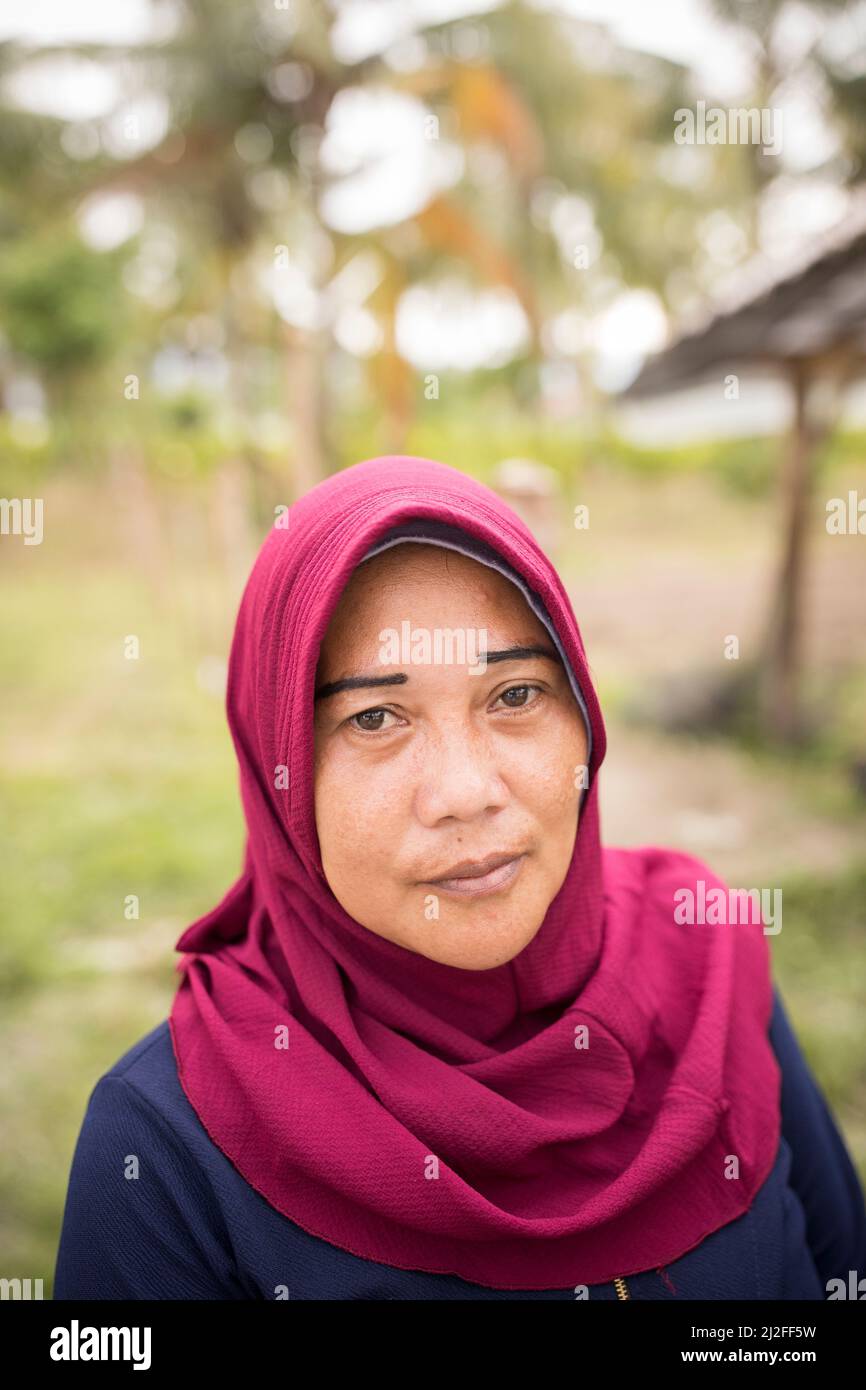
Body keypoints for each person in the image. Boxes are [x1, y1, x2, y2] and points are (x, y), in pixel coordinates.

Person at [54, 454, 866, 1300]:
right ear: (279, 767)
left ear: (583, 715)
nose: (467, 794)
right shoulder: (165, 1145)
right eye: (376, 717)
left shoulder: (707, 963)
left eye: (514, 695)